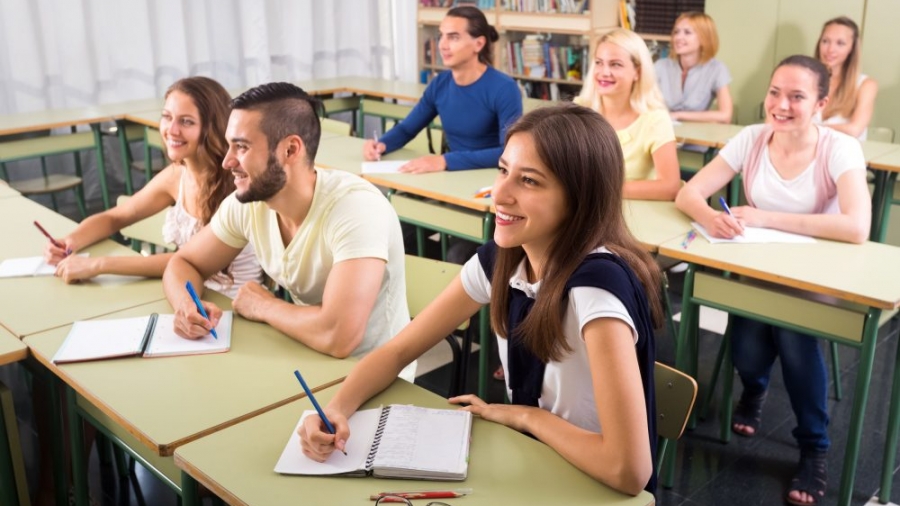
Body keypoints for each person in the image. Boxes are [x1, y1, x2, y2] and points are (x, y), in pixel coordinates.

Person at [300, 103, 663, 496]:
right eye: (503, 170)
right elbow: (399, 350)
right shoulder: (503, 259)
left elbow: (629, 470)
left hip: (591, 486)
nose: (500, 194)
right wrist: (338, 407)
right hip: (531, 464)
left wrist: (524, 417)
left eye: (529, 181)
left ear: (579, 197)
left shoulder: (596, 288)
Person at [675, 55, 870, 506]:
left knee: (795, 341)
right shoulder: (752, 138)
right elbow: (689, 192)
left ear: (820, 103)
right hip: (757, 267)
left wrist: (766, 217)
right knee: (746, 348)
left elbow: (857, 226)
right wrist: (710, 217)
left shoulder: (839, 148)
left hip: (813, 275)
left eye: (797, 96)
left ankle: (813, 448)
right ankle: (755, 389)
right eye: (775, 92)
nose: (781, 105)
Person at [162, 82, 415, 380]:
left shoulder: (355, 209)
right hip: (304, 359)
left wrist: (265, 306)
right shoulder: (248, 202)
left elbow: (340, 336)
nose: (227, 161)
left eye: (241, 147)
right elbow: (183, 263)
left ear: (290, 149)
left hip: (375, 378)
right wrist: (186, 305)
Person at [43, 76, 262, 298]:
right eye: (167, 117)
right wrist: (70, 242)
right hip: (186, 293)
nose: (172, 130)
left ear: (212, 127)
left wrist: (98, 265)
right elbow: (117, 217)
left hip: (231, 303)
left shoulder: (235, 183)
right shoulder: (177, 175)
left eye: (186, 121)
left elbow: (187, 260)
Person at [363, 5, 522, 173]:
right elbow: (407, 129)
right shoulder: (440, 83)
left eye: (453, 37)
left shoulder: (504, 88)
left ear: (478, 44)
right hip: (453, 174)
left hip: (491, 177)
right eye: (441, 36)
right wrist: (381, 144)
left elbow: (508, 152)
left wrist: (445, 161)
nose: (443, 45)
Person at [574, 29, 680, 201]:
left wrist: (599, 190)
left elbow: (670, 187)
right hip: (586, 210)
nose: (604, 72)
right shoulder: (580, 109)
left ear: (637, 72)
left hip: (634, 213)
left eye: (616, 64)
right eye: (599, 63)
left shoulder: (655, 119)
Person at [655, 12, 733, 124]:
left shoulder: (717, 69)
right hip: (662, 131)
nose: (678, 37)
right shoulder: (660, 66)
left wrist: (677, 115)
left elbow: (726, 115)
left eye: (687, 32)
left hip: (696, 137)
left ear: (704, 38)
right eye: (676, 32)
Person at [814, 16, 878, 141]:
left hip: (844, 157)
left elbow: (854, 129)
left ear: (852, 49)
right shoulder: (805, 81)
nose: (830, 49)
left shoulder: (866, 85)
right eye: (825, 41)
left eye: (840, 43)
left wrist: (807, 129)